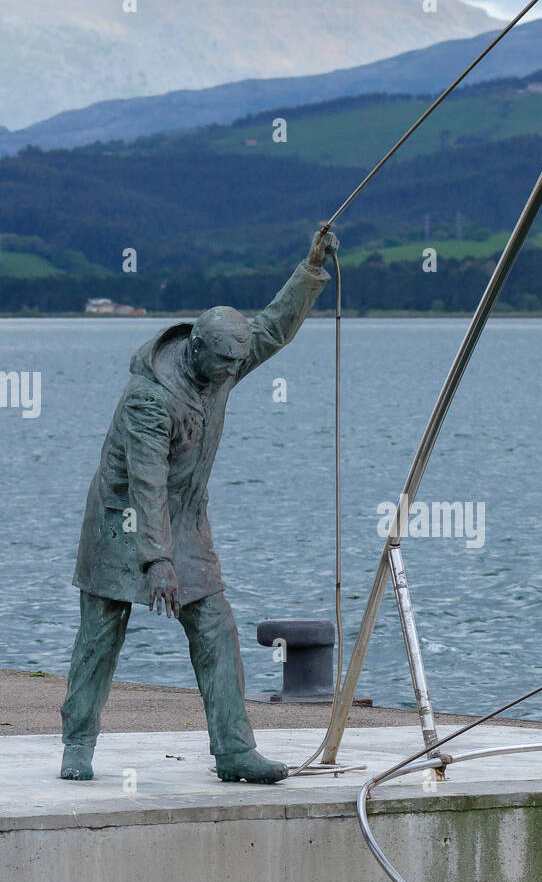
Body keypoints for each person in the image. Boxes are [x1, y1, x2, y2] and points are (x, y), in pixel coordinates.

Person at [60, 227, 338, 783]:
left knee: (215, 628)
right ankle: (78, 741)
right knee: (100, 635)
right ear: (195, 350)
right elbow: (146, 482)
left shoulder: (223, 364)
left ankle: (234, 750)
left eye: (238, 364)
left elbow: (274, 328)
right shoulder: (150, 398)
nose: (232, 374)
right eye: (224, 365)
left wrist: (310, 270)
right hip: (124, 521)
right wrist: (158, 559)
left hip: (185, 518)